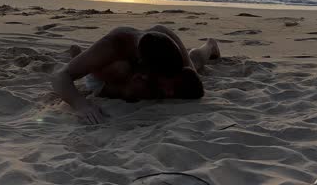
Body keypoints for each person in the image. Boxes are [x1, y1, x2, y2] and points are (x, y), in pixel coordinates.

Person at [51, 25, 221, 124]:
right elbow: (61, 76)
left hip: (157, 47)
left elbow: (191, 80)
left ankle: (210, 46)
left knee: (194, 65)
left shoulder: (170, 49)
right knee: (120, 69)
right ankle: (80, 56)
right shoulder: (116, 45)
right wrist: (81, 104)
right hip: (111, 68)